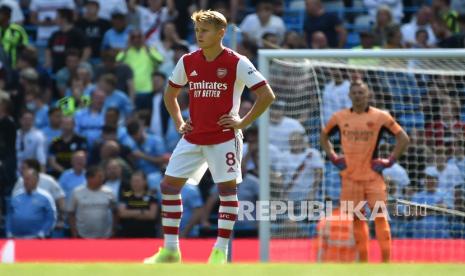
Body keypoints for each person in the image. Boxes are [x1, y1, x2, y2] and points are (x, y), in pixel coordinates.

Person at [143, 10, 275, 264]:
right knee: (168, 187)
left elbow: (266, 95)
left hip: (224, 137)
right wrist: (180, 122)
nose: (199, 35)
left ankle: (220, 251)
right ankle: (171, 250)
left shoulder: (237, 61)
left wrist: (242, 123)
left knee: (226, 190)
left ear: (221, 33)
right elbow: (169, 95)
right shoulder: (188, 61)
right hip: (193, 137)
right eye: (197, 31)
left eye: (205, 30)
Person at [320, 79, 409, 262]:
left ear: (368, 94)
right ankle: (364, 264)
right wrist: (333, 156)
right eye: (355, 92)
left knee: (380, 218)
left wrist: (389, 161)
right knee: (357, 221)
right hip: (350, 177)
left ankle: (386, 262)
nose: (358, 95)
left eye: (361, 92)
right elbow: (323, 136)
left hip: (373, 177)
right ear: (349, 95)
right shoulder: (339, 117)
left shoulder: (381, 117)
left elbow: (403, 138)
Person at [7, 167, 56, 238]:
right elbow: (9, 215)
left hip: (36, 238)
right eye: (24, 179)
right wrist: (9, 232)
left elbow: (51, 218)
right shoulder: (16, 195)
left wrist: (42, 233)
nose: (25, 182)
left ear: (36, 180)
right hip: (16, 237)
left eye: (28, 179)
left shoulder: (45, 197)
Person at [69, 165, 116, 238]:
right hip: (82, 236)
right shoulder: (77, 192)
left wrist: (113, 229)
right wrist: (74, 231)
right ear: (89, 178)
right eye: (99, 176)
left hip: (105, 236)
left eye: (103, 176)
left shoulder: (109, 192)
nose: (102, 179)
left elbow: (115, 212)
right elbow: (71, 213)